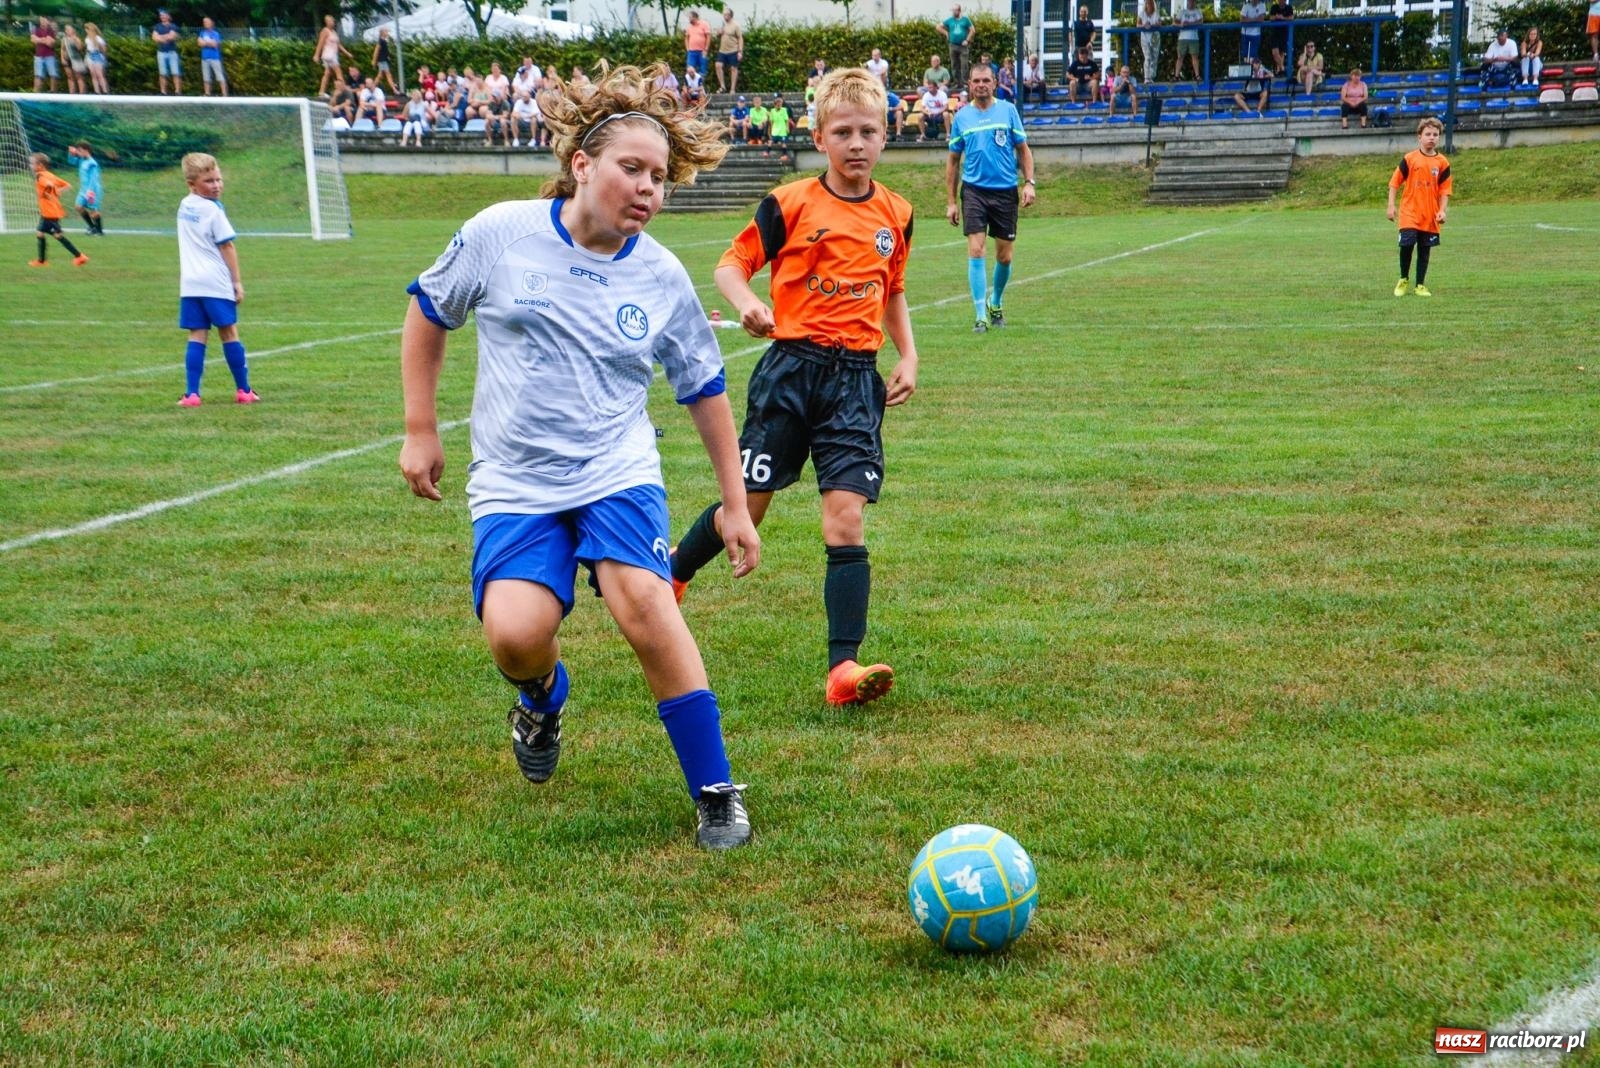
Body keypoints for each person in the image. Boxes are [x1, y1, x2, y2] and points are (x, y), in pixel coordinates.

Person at [399, 63, 761, 850]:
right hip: (514, 477)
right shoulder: (501, 234)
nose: (648, 189)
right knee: (515, 635)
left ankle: (715, 791)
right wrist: (420, 427)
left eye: (660, 177)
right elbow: (429, 310)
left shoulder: (661, 275)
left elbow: (703, 387)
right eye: (632, 169)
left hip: (616, 469)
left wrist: (734, 503)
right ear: (581, 165)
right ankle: (540, 697)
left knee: (645, 604)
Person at [670, 67, 918, 710]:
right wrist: (748, 302)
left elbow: (892, 290)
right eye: (843, 132)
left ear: (885, 136)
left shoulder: (898, 214)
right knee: (746, 509)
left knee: (845, 519)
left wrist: (908, 355)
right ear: (819, 136)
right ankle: (673, 570)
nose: (856, 143)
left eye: (868, 131)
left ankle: (844, 668)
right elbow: (731, 265)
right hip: (790, 374)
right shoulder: (790, 203)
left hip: (855, 383)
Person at [946, 63, 1034, 334]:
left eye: (986, 80)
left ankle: (996, 301)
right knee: (976, 250)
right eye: (976, 81)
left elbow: (1024, 150)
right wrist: (951, 201)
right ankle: (981, 315)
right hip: (973, 191)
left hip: (1005, 190)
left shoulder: (1008, 111)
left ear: (994, 82)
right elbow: (953, 162)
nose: (981, 84)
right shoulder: (962, 117)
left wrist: (1029, 183)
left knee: (1004, 257)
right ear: (969, 85)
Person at [175, 153, 255, 405]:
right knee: (229, 333)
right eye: (209, 181)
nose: (217, 185)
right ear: (192, 184)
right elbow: (227, 246)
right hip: (215, 280)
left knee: (197, 334)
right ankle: (244, 391)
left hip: (190, 283)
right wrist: (237, 282)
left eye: (219, 179)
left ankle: (192, 394)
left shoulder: (184, 205)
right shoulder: (213, 210)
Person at [1387, 116, 1450, 297]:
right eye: (1428, 134)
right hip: (1409, 211)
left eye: (1435, 134)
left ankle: (1420, 285)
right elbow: (1394, 183)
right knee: (1407, 244)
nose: (1432, 137)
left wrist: (1442, 211)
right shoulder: (1410, 159)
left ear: (1439, 137)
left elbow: (1445, 190)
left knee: (1424, 249)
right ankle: (1403, 279)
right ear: (1419, 137)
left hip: (1429, 214)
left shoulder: (1442, 162)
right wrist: (1391, 206)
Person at [27, 154, 87, 269]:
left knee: (53, 235)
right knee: (45, 233)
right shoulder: (50, 175)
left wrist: (47, 193)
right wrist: (58, 191)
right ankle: (42, 261)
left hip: (49, 212)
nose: (30, 165)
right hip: (51, 211)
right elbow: (68, 185)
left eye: (32, 163)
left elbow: (48, 185)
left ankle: (79, 256)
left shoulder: (40, 176)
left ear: (40, 165)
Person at [69, 141, 105, 235]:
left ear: (87, 150)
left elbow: (94, 178)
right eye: (77, 151)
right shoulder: (81, 160)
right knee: (78, 206)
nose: (78, 153)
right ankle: (92, 227)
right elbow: (71, 162)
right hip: (83, 189)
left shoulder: (92, 163)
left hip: (92, 190)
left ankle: (99, 231)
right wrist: (71, 154)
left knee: (93, 210)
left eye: (80, 151)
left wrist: (90, 191)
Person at [315, 15, 353, 98]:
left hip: (333, 55)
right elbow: (320, 43)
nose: (332, 23)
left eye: (332, 21)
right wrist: (316, 55)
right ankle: (344, 91)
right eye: (330, 21)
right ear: (326, 22)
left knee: (327, 73)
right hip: (329, 55)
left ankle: (321, 92)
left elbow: (339, 45)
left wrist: (347, 53)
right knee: (339, 73)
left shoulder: (334, 32)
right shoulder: (325, 31)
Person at [941, 4, 975, 88]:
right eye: (952, 10)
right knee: (954, 64)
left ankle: (965, 83)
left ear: (959, 11)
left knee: (964, 64)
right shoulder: (950, 20)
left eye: (955, 10)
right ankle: (957, 82)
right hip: (952, 45)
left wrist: (967, 40)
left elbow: (972, 30)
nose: (953, 12)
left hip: (963, 46)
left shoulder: (965, 20)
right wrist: (946, 33)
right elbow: (938, 26)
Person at [153, 10, 183, 95]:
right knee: (162, 73)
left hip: (172, 53)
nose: (162, 17)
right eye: (161, 15)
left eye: (164, 15)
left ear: (168, 16)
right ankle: (163, 92)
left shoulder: (173, 26)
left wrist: (160, 36)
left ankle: (178, 91)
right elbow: (154, 38)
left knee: (176, 73)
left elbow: (172, 36)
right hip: (161, 53)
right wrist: (166, 36)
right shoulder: (157, 26)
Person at [715, 7, 744, 95]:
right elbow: (718, 36)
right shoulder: (723, 25)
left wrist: (740, 51)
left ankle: (732, 89)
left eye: (727, 14)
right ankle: (722, 86)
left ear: (731, 15)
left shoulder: (736, 25)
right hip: (722, 50)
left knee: (733, 69)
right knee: (718, 65)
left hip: (733, 50)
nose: (725, 16)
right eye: (724, 15)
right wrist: (719, 34)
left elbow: (740, 38)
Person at [198, 17, 228, 97]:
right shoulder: (202, 33)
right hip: (205, 58)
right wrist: (209, 42)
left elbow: (215, 44)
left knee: (219, 76)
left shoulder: (216, 34)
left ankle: (224, 93)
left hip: (215, 58)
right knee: (206, 77)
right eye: (204, 22)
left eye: (207, 22)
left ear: (211, 23)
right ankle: (207, 93)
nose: (205, 23)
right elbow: (199, 43)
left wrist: (205, 42)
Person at [1136, 0, 1162, 86]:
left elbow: (1159, 23)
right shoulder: (1142, 13)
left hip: (1155, 37)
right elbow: (1138, 25)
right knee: (1147, 57)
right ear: (1146, 4)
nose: (1149, 5)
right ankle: (1146, 78)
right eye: (1148, 3)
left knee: (1154, 57)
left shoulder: (1156, 13)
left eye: (1151, 3)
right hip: (1145, 37)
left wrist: (1152, 25)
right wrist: (1144, 26)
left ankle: (1152, 76)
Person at [1176, 0, 1204, 82]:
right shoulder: (1182, 12)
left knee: (1195, 57)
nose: (1191, 3)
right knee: (1180, 57)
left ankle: (1197, 76)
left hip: (1194, 38)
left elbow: (1201, 21)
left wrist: (1189, 24)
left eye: (1193, 1)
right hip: (1182, 37)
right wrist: (1181, 24)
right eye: (1190, 1)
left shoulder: (1198, 12)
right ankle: (1176, 76)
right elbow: (1175, 22)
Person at [32, 17, 60, 94]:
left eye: (44, 20)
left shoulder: (51, 31)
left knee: (53, 74)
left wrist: (39, 39)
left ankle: (53, 93)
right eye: (41, 20)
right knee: (38, 75)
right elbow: (33, 40)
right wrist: (44, 39)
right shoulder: (36, 30)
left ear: (47, 21)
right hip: (38, 56)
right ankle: (36, 93)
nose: (42, 21)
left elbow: (50, 44)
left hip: (50, 56)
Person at [1266, 0, 1293, 75]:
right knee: (1275, 53)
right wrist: (1276, 17)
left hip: (1285, 33)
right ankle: (1283, 69)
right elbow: (1271, 18)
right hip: (1275, 33)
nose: (1281, 1)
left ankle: (1279, 71)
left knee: (1281, 53)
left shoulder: (1289, 7)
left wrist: (1282, 18)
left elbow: (1291, 18)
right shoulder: (1274, 7)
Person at [85, 23, 110, 94]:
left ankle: (105, 91)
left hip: (97, 55)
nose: (86, 31)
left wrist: (103, 57)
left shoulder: (98, 38)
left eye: (87, 29)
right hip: (90, 55)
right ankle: (97, 91)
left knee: (99, 74)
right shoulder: (87, 38)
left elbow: (104, 49)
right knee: (93, 74)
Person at [62, 25, 87, 95]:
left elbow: (80, 48)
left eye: (69, 29)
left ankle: (82, 94)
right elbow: (62, 49)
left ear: (73, 30)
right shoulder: (64, 39)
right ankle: (72, 94)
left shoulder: (77, 38)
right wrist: (62, 58)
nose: (67, 31)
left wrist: (75, 40)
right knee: (70, 78)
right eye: (66, 30)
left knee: (79, 77)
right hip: (67, 60)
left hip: (76, 60)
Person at [684, 10, 711, 77]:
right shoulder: (689, 27)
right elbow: (686, 38)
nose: (689, 19)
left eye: (690, 17)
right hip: (692, 52)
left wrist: (706, 49)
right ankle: (690, 86)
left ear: (695, 17)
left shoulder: (704, 24)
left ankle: (700, 86)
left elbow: (708, 36)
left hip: (702, 52)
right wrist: (687, 49)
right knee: (690, 69)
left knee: (703, 70)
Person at [767, 92, 792, 157]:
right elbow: (771, 122)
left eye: (779, 102)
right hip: (775, 131)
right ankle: (767, 151)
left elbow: (788, 119)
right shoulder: (772, 110)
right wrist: (770, 131)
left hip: (783, 130)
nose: (778, 104)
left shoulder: (785, 109)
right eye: (776, 102)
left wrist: (787, 128)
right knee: (770, 141)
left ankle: (785, 154)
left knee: (783, 143)